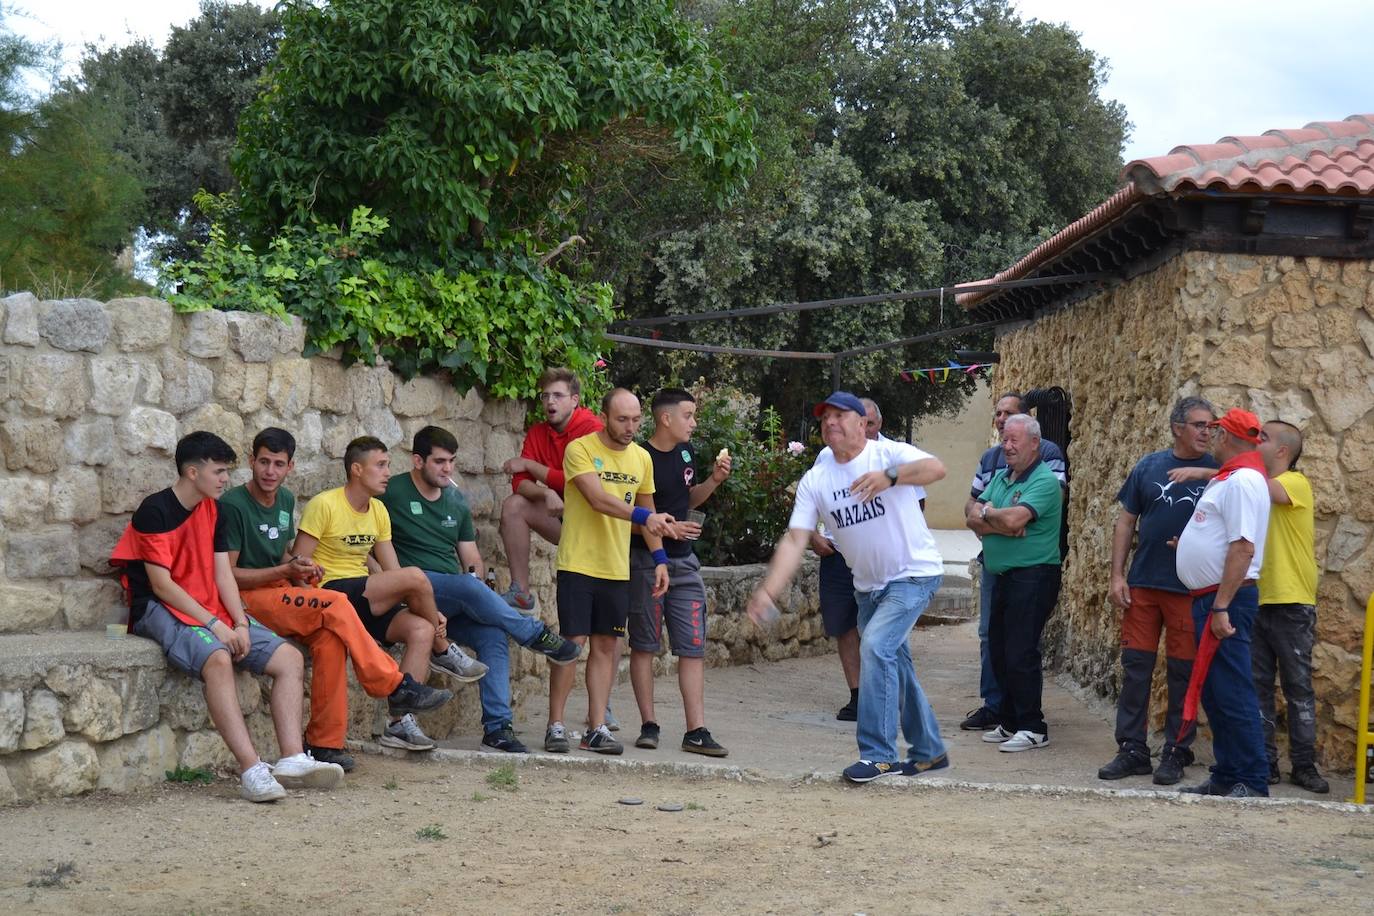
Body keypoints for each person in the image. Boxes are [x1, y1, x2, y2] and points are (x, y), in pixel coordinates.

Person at [110, 431, 343, 802]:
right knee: (218, 658)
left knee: (289, 657)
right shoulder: (154, 511)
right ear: (191, 472)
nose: (225, 479)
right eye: (218, 471)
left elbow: (222, 574)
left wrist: (238, 621)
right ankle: (251, 770)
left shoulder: (213, 509)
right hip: (156, 609)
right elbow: (163, 585)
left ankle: (292, 758)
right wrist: (215, 625)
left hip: (209, 606)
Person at [221, 428, 455, 772]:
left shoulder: (285, 500)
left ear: (290, 467)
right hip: (248, 598)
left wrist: (299, 565)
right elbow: (226, 574)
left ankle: (323, 744)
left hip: (282, 591)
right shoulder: (233, 505)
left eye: (279, 464)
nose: (270, 471)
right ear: (251, 462)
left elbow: (283, 553)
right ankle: (392, 683)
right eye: (264, 462)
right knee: (335, 603)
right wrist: (284, 570)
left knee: (331, 640)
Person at [748, 392, 948, 783]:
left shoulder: (886, 455)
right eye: (825, 418)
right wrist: (768, 590)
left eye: (841, 416)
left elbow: (937, 468)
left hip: (913, 574)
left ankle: (879, 754)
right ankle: (929, 751)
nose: (831, 423)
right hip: (867, 586)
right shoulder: (817, 479)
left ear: (863, 423)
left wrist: (890, 477)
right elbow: (795, 539)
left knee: (873, 645)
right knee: (896, 665)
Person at [380, 425, 582, 755]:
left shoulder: (455, 500)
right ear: (418, 461)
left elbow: (471, 556)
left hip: (452, 597)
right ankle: (534, 634)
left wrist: (480, 585)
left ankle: (497, 728)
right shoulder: (394, 492)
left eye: (452, 462)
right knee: (466, 586)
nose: (448, 469)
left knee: (492, 634)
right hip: (412, 591)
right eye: (440, 462)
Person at [294, 436, 488, 754]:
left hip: (364, 594)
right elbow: (298, 568)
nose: (387, 473)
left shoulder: (379, 511)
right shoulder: (324, 504)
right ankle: (443, 649)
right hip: (328, 595)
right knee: (415, 577)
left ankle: (400, 723)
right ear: (357, 469)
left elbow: (392, 572)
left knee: (421, 628)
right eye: (380, 465)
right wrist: (309, 613)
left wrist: (425, 612)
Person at [545, 389, 674, 756]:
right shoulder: (580, 450)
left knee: (607, 646)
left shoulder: (641, 458)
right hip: (579, 563)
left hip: (617, 568)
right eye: (622, 419)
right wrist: (645, 517)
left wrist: (661, 558)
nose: (630, 427)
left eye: (636, 420)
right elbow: (597, 499)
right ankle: (555, 724)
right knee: (572, 645)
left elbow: (648, 510)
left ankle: (596, 727)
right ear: (604, 415)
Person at [1097, 398, 1217, 785]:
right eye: (1199, 424)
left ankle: (1176, 752)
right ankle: (1132, 750)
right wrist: (1117, 576)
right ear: (1177, 427)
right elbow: (1126, 521)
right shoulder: (1148, 466)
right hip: (1144, 585)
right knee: (1136, 670)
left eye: (1211, 426)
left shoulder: (1220, 473)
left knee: (1183, 675)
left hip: (1190, 591)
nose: (1206, 432)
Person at [628, 389, 731, 757]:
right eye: (688, 415)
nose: (694, 422)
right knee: (645, 644)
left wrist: (714, 481)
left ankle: (696, 730)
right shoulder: (639, 457)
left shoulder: (687, 453)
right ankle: (649, 725)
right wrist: (670, 530)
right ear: (665, 418)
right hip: (645, 561)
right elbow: (643, 515)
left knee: (693, 647)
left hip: (685, 562)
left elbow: (688, 499)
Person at [1176, 408, 1271, 798]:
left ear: (1227, 437)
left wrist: (1221, 606)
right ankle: (1229, 774)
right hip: (1214, 598)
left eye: (1214, 433)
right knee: (1217, 692)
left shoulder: (1243, 481)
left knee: (1232, 691)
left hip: (1223, 601)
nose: (1210, 439)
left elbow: (1243, 547)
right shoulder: (1233, 479)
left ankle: (1249, 778)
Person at [810, 396, 923, 722]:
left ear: (877, 424)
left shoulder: (893, 455)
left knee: (883, 630)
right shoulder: (826, 456)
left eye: (869, 424)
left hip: (884, 560)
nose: (863, 430)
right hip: (838, 557)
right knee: (844, 624)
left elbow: (916, 507)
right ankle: (858, 696)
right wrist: (813, 536)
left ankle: (893, 697)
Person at [961, 392, 1066, 732]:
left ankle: (1032, 727)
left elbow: (1008, 519)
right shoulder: (1004, 478)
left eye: (1013, 440)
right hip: (1004, 573)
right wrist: (998, 522)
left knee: (1021, 653)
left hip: (1033, 576)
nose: (1006, 445)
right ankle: (1007, 720)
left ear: (1034, 444)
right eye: (1004, 439)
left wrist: (991, 518)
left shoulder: (1044, 481)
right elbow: (972, 515)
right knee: (1000, 649)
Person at [1253, 421, 1329, 793]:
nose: (1256, 443)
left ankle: (1304, 765)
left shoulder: (1295, 483)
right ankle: (1266, 762)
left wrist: (1212, 469)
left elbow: (1266, 489)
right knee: (1259, 688)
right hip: (1258, 598)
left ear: (1283, 451)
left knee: (1298, 688)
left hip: (1292, 601)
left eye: (1262, 438)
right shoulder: (1253, 486)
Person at [498, 367, 605, 611]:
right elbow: (519, 484)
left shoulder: (592, 429)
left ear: (575, 400)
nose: (550, 401)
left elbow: (582, 481)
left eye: (558, 395)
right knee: (514, 504)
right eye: (545, 396)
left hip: (598, 524)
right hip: (564, 518)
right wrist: (545, 492)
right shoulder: (538, 432)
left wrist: (529, 464)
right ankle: (521, 592)